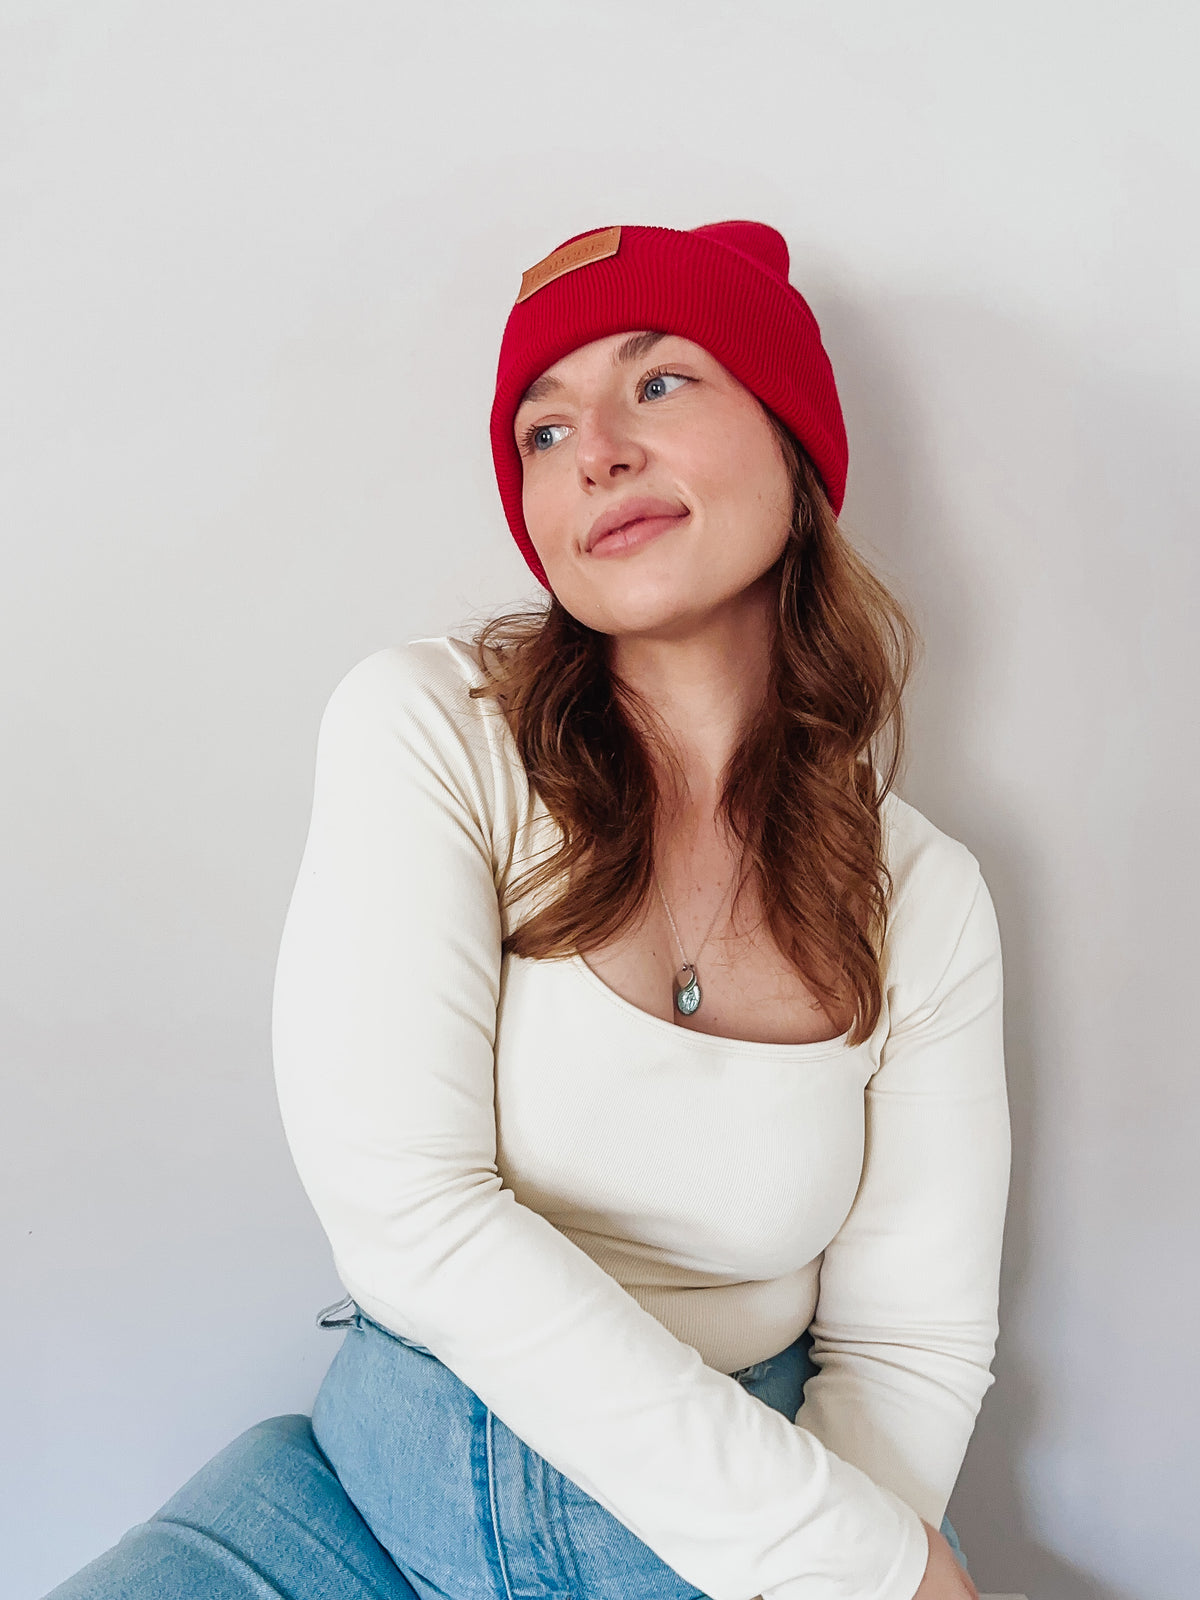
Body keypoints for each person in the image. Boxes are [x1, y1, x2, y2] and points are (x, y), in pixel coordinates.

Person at [43, 220, 1008, 1600]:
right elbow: (408, 1213)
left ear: (795, 445)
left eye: (660, 383)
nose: (596, 451)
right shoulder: (428, 727)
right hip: (361, 1511)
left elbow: (908, 1349)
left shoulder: (928, 900)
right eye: (543, 432)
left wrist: (831, 1566)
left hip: (745, 1538)